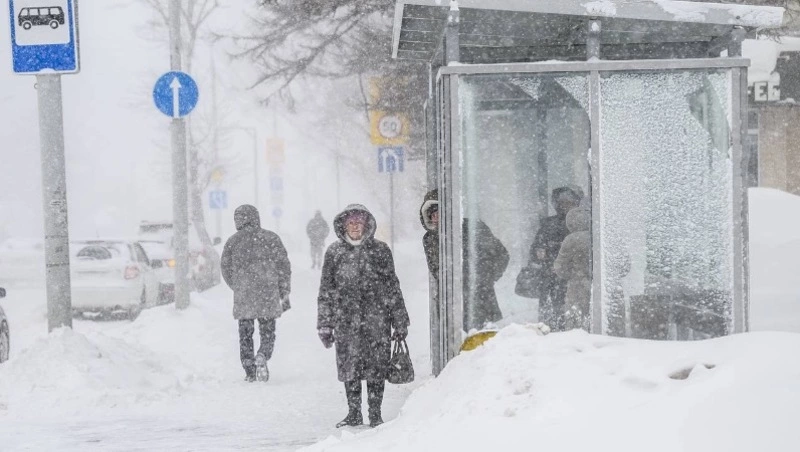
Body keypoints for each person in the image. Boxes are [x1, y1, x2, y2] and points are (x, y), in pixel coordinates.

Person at [317, 204, 410, 428]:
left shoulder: (380, 251)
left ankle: (375, 414)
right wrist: (325, 323)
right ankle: (354, 413)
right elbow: (326, 290)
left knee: (376, 367)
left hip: (377, 320)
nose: (355, 226)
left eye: (359, 222)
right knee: (350, 367)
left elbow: (392, 286)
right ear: (344, 226)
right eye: (351, 222)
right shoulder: (334, 253)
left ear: (367, 224)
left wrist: (399, 319)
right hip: (345, 321)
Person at [420, 190, 509, 332]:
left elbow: (502, 254)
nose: (437, 218)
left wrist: (485, 278)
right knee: (457, 348)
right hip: (450, 304)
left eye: (440, 213)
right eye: (433, 215)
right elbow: (436, 271)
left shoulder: (472, 227)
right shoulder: (429, 239)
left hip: (479, 300)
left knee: (481, 347)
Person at [220, 205, 292, 383]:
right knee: (268, 332)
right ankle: (263, 354)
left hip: (244, 295)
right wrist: (283, 290)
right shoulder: (271, 238)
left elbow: (225, 269)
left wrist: (237, 286)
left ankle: (249, 370)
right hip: (268, 293)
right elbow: (284, 267)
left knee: (245, 334)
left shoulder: (233, 241)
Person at [528, 186, 582, 331]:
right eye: (562, 202)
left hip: (572, 280)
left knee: (571, 319)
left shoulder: (583, 225)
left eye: (569, 202)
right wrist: (541, 255)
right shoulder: (548, 225)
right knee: (550, 321)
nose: (566, 206)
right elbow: (535, 252)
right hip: (551, 280)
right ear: (556, 204)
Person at [553, 204, 592, 331]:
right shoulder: (606, 236)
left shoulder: (571, 239)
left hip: (578, 289)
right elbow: (624, 265)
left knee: (578, 327)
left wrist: (576, 275)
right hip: (609, 291)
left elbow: (560, 267)